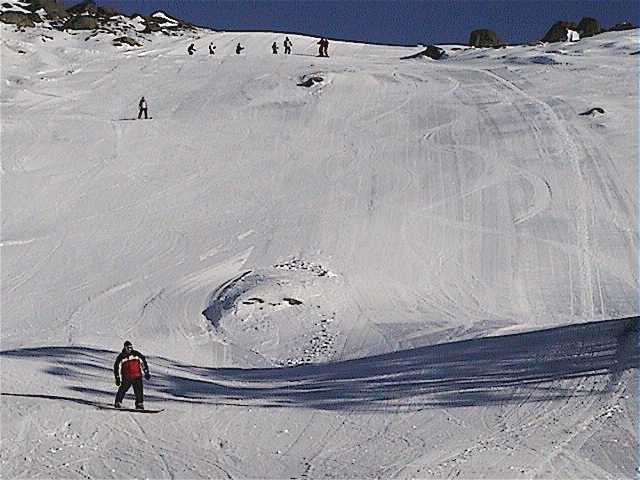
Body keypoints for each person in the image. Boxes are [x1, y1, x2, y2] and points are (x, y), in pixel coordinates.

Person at [114, 340, 150, 409]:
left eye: (131, 347)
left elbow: (143, 362)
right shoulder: (121, 356)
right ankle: (118, 402)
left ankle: (139, 403)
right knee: (123, 389)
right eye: (128, 348)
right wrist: (117, 377)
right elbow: (116, 367)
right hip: (127, 377)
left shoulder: (136, 354)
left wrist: (146, 372)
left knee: (139, 390)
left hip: (137, 376)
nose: (129, 349)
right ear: (125, 348)